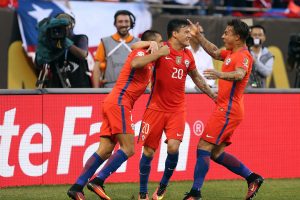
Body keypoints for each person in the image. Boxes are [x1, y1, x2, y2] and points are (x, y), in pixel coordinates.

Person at [67, 30, 169, 200]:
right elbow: (136, 62)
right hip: (120, 103)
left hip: (113, 102)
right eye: (159, 41)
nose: (162, 44)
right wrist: (155, 50)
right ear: (152, 43)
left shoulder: (148, 58)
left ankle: (77, 187)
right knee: (129, 149)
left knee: (105, 150)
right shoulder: (141, 53)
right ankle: (98, 181)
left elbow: (138, 53)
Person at [183, 19, 264, 200]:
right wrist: (198, 36)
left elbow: (239, 74)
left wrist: (219, 74)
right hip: (225, 108)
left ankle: (195, 193)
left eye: (226, 33)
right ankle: (253, 178)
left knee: (203, 146)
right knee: (216, 153)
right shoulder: (229, 52)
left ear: (237, 37)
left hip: (228, 110)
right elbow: (213, 51)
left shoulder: (243, 56)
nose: (222, 35)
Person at [136, 19, 216, 200]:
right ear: (175, 33)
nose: (190, 35)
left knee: (173, 147)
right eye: (186, 32)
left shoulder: (188, 55)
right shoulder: (160, 49)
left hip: (177, 110)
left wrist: (213, 96)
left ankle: (163, 184)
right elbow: (138, 55)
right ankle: (142, 192)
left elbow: (197, 78)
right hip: (155, 108)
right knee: (148, 152)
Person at [35, 13, 92, 88]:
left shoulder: (80, 38)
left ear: (72, 25)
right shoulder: (52, 44)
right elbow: (39, 66)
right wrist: (41, 51)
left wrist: (65, 42)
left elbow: (83, 54)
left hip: (79, 87)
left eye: (65, 25)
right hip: (57, 87)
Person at [92, 10, 140, 88]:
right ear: (115, 24)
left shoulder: (139, 42)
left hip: (133, 87)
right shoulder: (105, 42)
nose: (123, 24)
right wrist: (95, 91)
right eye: (120, 21)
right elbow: (97, 67)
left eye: (126, 21)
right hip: (110, 88)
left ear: (131, 23)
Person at [185, 25, 215, 90]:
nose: (200, 35)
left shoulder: (207, 53)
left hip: (205, 91)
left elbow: (211, 75)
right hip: (186, 91)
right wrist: (194, 87)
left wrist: (208, 86)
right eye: (197, 33)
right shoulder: (182, 51)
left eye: (201, 33)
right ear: (189, 34)